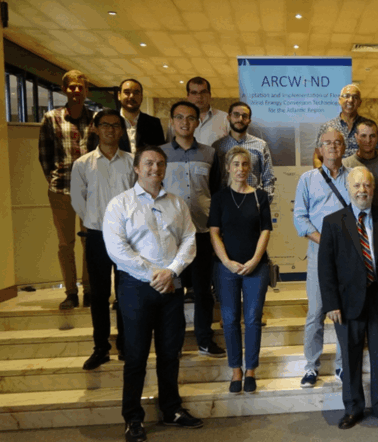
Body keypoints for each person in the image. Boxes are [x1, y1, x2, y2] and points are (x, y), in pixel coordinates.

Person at [103, 146, 203, 442]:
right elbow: (117, 249)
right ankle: (133, 418)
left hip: (171, 286)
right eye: (148, 163)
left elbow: (189, 239)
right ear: (136, 168)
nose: (155, 168)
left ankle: (171, 409)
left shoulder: (177, 203)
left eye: (160, 163)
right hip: (135, 288)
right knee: (135, 356)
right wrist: (155, 275)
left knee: (170, 353)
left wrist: (171, 272)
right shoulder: (120, 204)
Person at [318, 167, 378, 429]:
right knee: (350, 357)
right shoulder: (333, 222)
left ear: (373, 189)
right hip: (347, 302)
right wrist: (331, 303)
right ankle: (353, 408)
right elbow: (326, 267)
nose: (362, 190)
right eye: (357, 185)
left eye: (367, 185)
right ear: (348, 188)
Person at [71, 109, 136, 370]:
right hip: (97, 235)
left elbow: (138, 196)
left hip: (127, 236)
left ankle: (126, 345)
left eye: (115, 125)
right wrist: (96, 221)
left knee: (126, 293)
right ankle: (101, 348)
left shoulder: (132, 162)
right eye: (105, 125)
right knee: (98, 294)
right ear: (96, 129)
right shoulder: (83, 164)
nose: (110, 129)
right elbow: (78, 200)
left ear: (122, 131)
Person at [161, 101, 224, 358]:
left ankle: (204, 340)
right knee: (174, 290)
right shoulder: (161, 154)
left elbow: (217, 192)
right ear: (171, 122)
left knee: (203, 290)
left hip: (202, 233)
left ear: (198, 122)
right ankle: (173, 342)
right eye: (179, 117)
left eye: (190, 118)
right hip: (171, 236)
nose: (184, 122)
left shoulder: (210, 154)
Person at [208, 146, 272, 394]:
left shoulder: (260, 196)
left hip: (256, 267)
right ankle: (235, 371)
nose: (240, 169)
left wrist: (255, 260)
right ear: (228, 168)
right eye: (236, 164)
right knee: (230, 319)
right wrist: (226, 261)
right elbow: (214, 233)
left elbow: (265, 231)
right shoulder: (219, 198)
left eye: (245, 164)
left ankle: (251, 371)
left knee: (253, 319)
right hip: (226, 268)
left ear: (250, 168)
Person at [293, 125, 348, 388]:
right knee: (315, 313)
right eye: (327, 143)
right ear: (319, 149)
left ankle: (342, 365)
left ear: (344, 148)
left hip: (348, 256)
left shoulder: (354, 176)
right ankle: (311, 368)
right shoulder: (307, 179)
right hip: (318, 255)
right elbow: (300, 218)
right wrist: (326, 241)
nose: (333, 146)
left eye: (337, 142)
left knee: (344, 313)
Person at [38, 69, 93, 310]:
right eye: (72, 86)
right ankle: (71, 292)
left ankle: (89, 290)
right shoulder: (51, 118)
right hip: (60, 190)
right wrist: (54, 179)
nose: (76, 90)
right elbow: (45, 155)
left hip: (90, 192)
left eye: (80, 86)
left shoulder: (95, 119)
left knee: (89, 242)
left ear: (86, 90)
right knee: (65, 244)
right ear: (64, 90)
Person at [212, 101, 276, 204]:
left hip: (253, 204)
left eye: (244, 116)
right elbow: (213, 180)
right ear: (229, 117)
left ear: (249, 121)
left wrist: (263, 203)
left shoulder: (260, 145)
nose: (240, 119)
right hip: (225, 205)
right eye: (236, 115)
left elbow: (268, 178)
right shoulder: (218, 146)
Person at [315, 84, 378, 164]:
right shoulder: (327, 126)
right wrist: (323, 172)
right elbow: (317, 158)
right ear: (339, 100)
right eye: (346, 96)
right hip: (335, 172)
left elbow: (377, 157)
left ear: (360, 102)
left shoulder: (370, 127)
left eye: (355, 97)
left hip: (362, 171)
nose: (350, 100)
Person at [343, 119, 378, 207]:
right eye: (363, 136)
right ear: (356, 137)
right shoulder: (345, 165)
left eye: (372, 136)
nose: (368, 140)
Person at [166, 77, 228, 145]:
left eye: (203, 92)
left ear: (210, 94)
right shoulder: (176, 120)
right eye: (194, 93)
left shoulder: (225, 119)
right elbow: (169, 146)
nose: (199, 96)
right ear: (188, 96)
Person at [116, 78, 166, 153]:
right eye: (127, 92)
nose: (131, 96)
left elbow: (160, 153)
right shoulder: (109, 122)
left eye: (136, 93)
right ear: (119, 95)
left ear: (141, 97)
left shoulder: (154, 124)